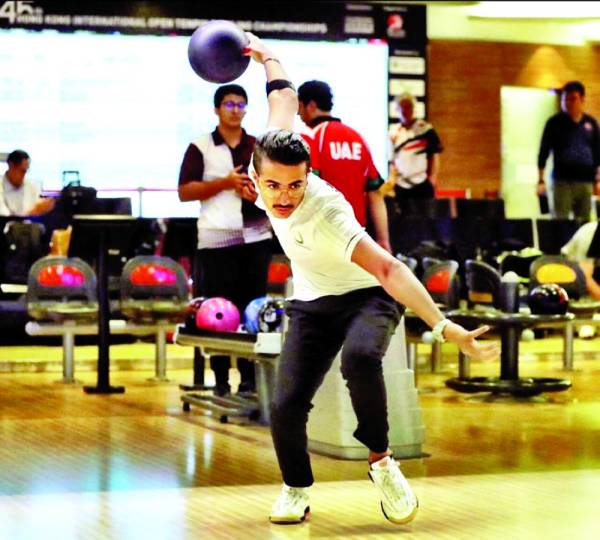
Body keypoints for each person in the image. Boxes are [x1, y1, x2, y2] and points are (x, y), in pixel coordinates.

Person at [242, 34, 499, 525]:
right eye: (272, 185)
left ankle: (382, 462)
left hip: (368, 296)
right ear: (257, 174)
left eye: (296, 185)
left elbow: (388, 269)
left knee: (360, 358)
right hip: (313, 303)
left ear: (308, 175)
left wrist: (443, 326)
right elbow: (284, 99)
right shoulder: (270, 153)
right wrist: (266, 55)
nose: (284, 197)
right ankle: (296, 488)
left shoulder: (326, 211)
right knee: (287, 402)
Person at [178, 84, 272, 396]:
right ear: (217, 109)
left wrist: (254, 192)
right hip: (216, 240)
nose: (235, 110)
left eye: (241, 105)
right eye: (229, 104)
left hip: (255, 239)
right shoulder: (201, 146)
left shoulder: (258, 146)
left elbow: (272, 187)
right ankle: (219, 379)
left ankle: (248, 380)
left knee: (251, 310)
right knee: (218, 310)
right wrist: (224, 183)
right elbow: (185, 191)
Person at [297, 80, 391, 252]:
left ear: (310, 106)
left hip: (321, 237)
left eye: (299, 106)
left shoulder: (309, 138)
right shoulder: (358, 138)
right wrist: (383, 240)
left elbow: (305, 190)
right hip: (357, 239)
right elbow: (375, 193)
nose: (298, 113)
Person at [537, 81, 600, 221]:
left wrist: (597, 180)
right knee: (561, 220)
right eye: (565, 99)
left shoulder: (591, 123)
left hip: (585, 181)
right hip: (562, 181)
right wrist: (540, 180)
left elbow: (597, 153)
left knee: (584, 221)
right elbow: (543, 150)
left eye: (573, 99)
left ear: (582, 99)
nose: (568, 103)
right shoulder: (554, 123)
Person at [386, 92, 443, 207]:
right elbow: (392, 161)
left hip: (421, 184)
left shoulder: (426, 129)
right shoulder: (394, 133)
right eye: (402, 107)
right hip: (401, 185)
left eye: (409, 107)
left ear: (413, 108)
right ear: (397, 109)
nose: (406, 111)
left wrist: (433, 178)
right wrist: (392, 180)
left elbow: (435, 155)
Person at [0, 150, 55, 216]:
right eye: (22, 171)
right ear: (11, 165)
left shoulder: (31, 188)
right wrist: (34, 211)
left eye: (26, 171)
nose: (23, 176)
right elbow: (4, 216)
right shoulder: (1, 186)